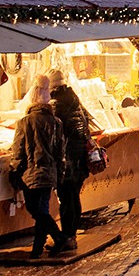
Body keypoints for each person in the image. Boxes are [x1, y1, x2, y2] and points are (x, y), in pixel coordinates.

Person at [10, 97, 70, 258]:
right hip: (50, 172)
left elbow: (18, 150)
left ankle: (58, 238)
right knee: (41, 209)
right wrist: (60, 173)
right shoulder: (56, 122)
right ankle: (38, 248)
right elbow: (60, 151)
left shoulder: (25, 122)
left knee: (35, 209)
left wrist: (14, 169)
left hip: (31, 171)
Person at [49, 71, 90, 250]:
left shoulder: (57, 105)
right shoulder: (75, 102)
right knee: (73, 198)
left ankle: (67, 237)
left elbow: (54, 132)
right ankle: (70, 235)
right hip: (79, 158)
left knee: (67, 199)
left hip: (68, 160)